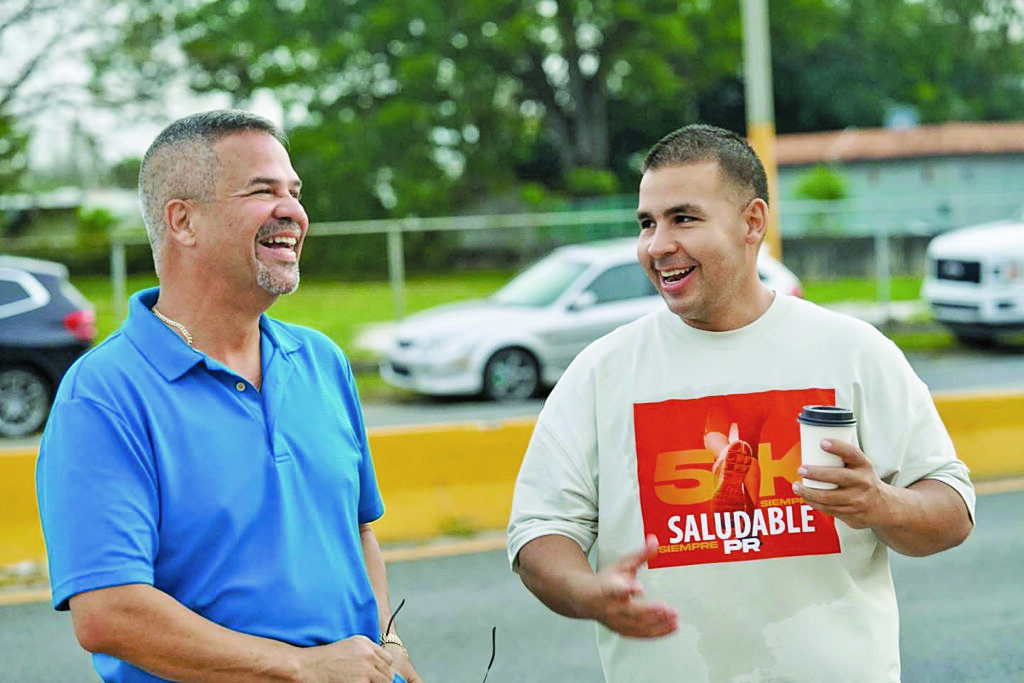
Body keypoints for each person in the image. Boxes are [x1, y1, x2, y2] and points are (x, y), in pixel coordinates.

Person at [507, 124, 974, 681]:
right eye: (647, 223)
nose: (657, 245)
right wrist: (588, 593)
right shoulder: (601, 372)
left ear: (752, 222)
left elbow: (950, 510)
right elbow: (539, 531)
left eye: (683, 218)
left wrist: (880, 504)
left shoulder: (853, 352)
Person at [36, 110, 421, 683]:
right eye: (262, 191)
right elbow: (109, 612)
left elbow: (357, 530)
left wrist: (386, 642)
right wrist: (299, 668)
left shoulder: (321, 361)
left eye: (294, 191)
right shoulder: (102, 395)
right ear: (183, 222)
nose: (292, 210)